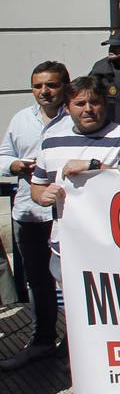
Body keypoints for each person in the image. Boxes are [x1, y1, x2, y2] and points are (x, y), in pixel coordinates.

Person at [29, 75, 120, 394]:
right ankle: (84, 384)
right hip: (66, 246)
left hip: (115, 250)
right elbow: (38, 187)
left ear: (105, 104)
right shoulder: (50, 138)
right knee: (78, 319)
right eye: (80, 103)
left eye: (94, 102)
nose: (88, 109)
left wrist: (94, 166)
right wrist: (43, 195)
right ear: (67, 108)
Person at [0, 62, 70, 374]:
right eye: (38, 86)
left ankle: (73, 346)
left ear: (64, 87)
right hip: (29, 212)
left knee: (71, 282)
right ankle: (42, 340)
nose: (44, 91)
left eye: (51, 85)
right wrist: (14, 166)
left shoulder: (76, 118)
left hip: (66, 215)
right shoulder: (20, 120)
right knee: (38, 280)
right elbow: (3, 156)